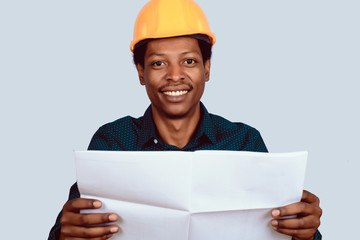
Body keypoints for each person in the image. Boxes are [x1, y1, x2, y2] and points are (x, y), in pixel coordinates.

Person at [48, 0, 322, 239]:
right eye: (159, 63)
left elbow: (280, 230)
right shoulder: (113, 141)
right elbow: (73, 227)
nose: (175, 75)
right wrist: (66, 235)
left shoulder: (243, 142)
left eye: (189, 61)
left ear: (207, 68)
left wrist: (304, 233)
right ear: (141, 72)